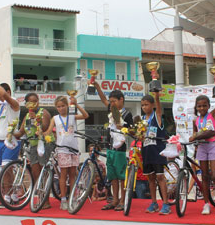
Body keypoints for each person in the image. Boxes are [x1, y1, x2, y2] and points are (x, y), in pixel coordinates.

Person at [90, 79, 134, 211]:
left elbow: (132, 130)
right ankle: (114, 200)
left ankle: (122, 200)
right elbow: (103, 100)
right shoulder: (111, 109)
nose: (112, 103)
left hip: (120, 149)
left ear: (121, 100)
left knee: (121, 176)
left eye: (114, 101)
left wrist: (123, 127)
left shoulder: (127, 114)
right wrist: (97, 86)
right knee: (112, 175)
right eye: (111, 101)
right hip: (109, 147)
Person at [43, 96, 89, 210]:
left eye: (63, 106)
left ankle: (72, 198)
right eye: (58, 106)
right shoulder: (55, 118)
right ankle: (63, 199)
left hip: (73, 149)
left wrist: (77, 104)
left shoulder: (72, 116)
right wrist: (41, 132)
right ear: (56, 108)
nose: (61, 108)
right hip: (62, 149)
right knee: (63, 174)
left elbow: (85, 115)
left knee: (72, 175)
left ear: (67, 106)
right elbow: (48, 131)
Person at [14, 92, 55, 208]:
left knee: (43, 170)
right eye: (30, 101)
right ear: (26, 104)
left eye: (35, 100)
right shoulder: (26, 116)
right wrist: (10, 131)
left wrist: (36, 120)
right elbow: (20, 133)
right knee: (35, 172)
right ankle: (41, 197)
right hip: (33, 145)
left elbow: (45, 127)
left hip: (45, 143)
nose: (33, 104)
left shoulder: (43, 112)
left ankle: (46, 200)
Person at [189, 94, 215, 216]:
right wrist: (193, 140)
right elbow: (195, 135)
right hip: (202, 147)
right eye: (199, 106)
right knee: (204, 176)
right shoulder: (195, 120)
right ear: (196, 107)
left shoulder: (212, 115)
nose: (202, 108)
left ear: (209, 106)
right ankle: (206, 204)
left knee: (214, 175)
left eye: (204, 105)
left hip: (213, 145)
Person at [141, 93, 170, 215]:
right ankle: (154, 203)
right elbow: (140, 135)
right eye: (142, 105)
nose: (144, 107)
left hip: (158, 151)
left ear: (152, 105)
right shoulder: (141, 120)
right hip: (146, 151)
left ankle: (166, 203)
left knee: (160, 177)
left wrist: (157, 97)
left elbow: (158, 109)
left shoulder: (157, 117)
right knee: (151, 178)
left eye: (147, 104)